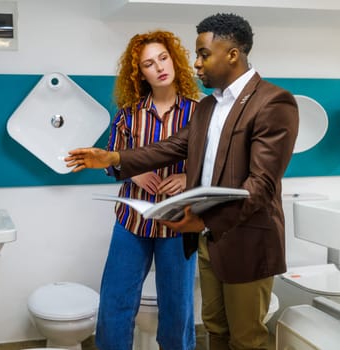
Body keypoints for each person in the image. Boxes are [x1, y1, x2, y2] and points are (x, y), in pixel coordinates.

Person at [65, 13, 299, 350]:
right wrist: (116, 159)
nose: (196, 63)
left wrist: (198, 211)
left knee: (240, 337)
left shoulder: (271, 101)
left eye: (203, 54)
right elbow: (171, 147)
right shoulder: (208, 107)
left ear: (232, 54)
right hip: (200, 235)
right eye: (196, 54)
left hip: (234, 236)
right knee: (216, 330)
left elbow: (259, 187)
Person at [93, 30, 201, 350]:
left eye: (163, 58)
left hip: (179, 223)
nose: (159, 67)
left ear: (174, 60)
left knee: (177, 310)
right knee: (115, 303)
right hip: (132, 222)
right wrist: (133, 170)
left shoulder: (200, 114)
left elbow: (217, 165)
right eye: (149, 64)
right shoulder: (129, 114)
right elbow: (110, 162)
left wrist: (188, 179)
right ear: (140, 73)